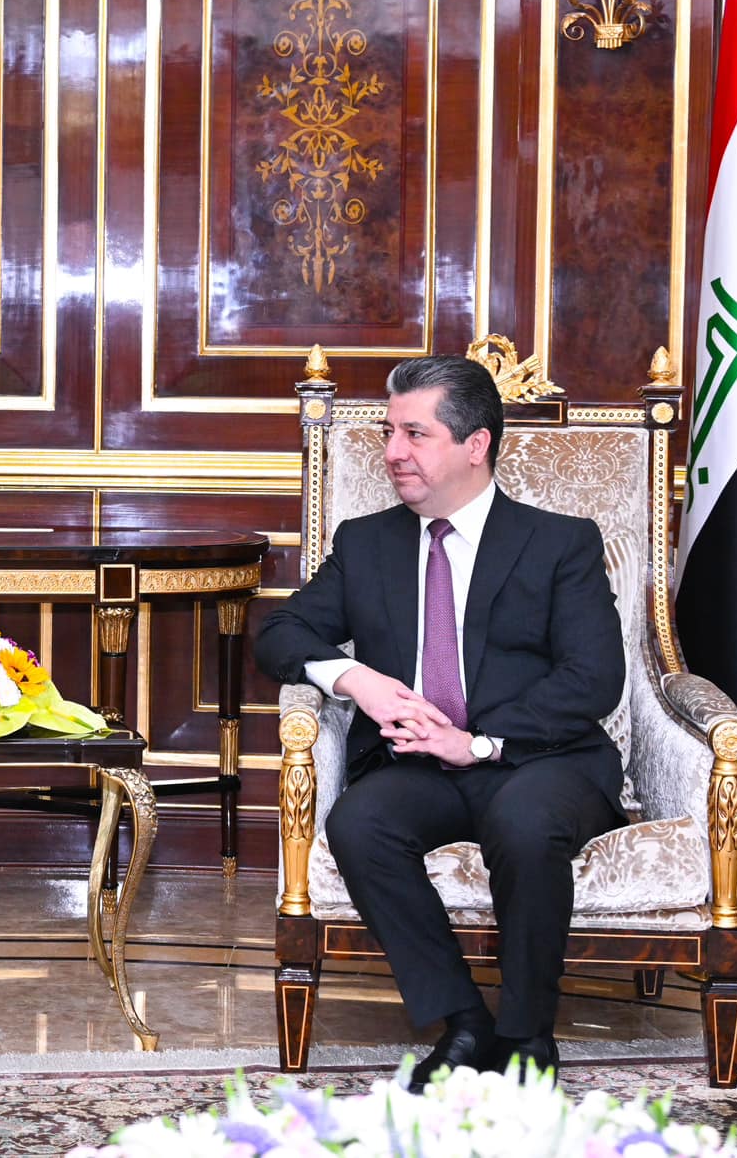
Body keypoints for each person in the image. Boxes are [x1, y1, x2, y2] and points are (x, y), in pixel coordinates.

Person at [254, 354, 625, 1091]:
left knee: (523, 824)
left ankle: (526, 1038)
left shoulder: (560, 543)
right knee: (361, 824)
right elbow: (280, 634)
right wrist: (356, 678)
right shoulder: (368, 544)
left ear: (474, 444)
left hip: (539, 759)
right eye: (389, 432)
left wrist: (477, 741)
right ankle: (463, 1022)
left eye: (414, 434)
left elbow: (593, 680)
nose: (392, 451)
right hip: (418, 763)